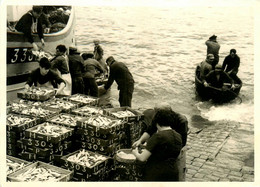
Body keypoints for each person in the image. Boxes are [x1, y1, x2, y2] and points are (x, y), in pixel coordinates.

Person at [132, 105, 188, 181]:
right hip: (173, 172)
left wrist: (134, 152)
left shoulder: (158, 136)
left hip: (156, 173)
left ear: (157, 122)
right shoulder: (178, 136)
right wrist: (140, 140)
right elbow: (150, 130)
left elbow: (142, 158)